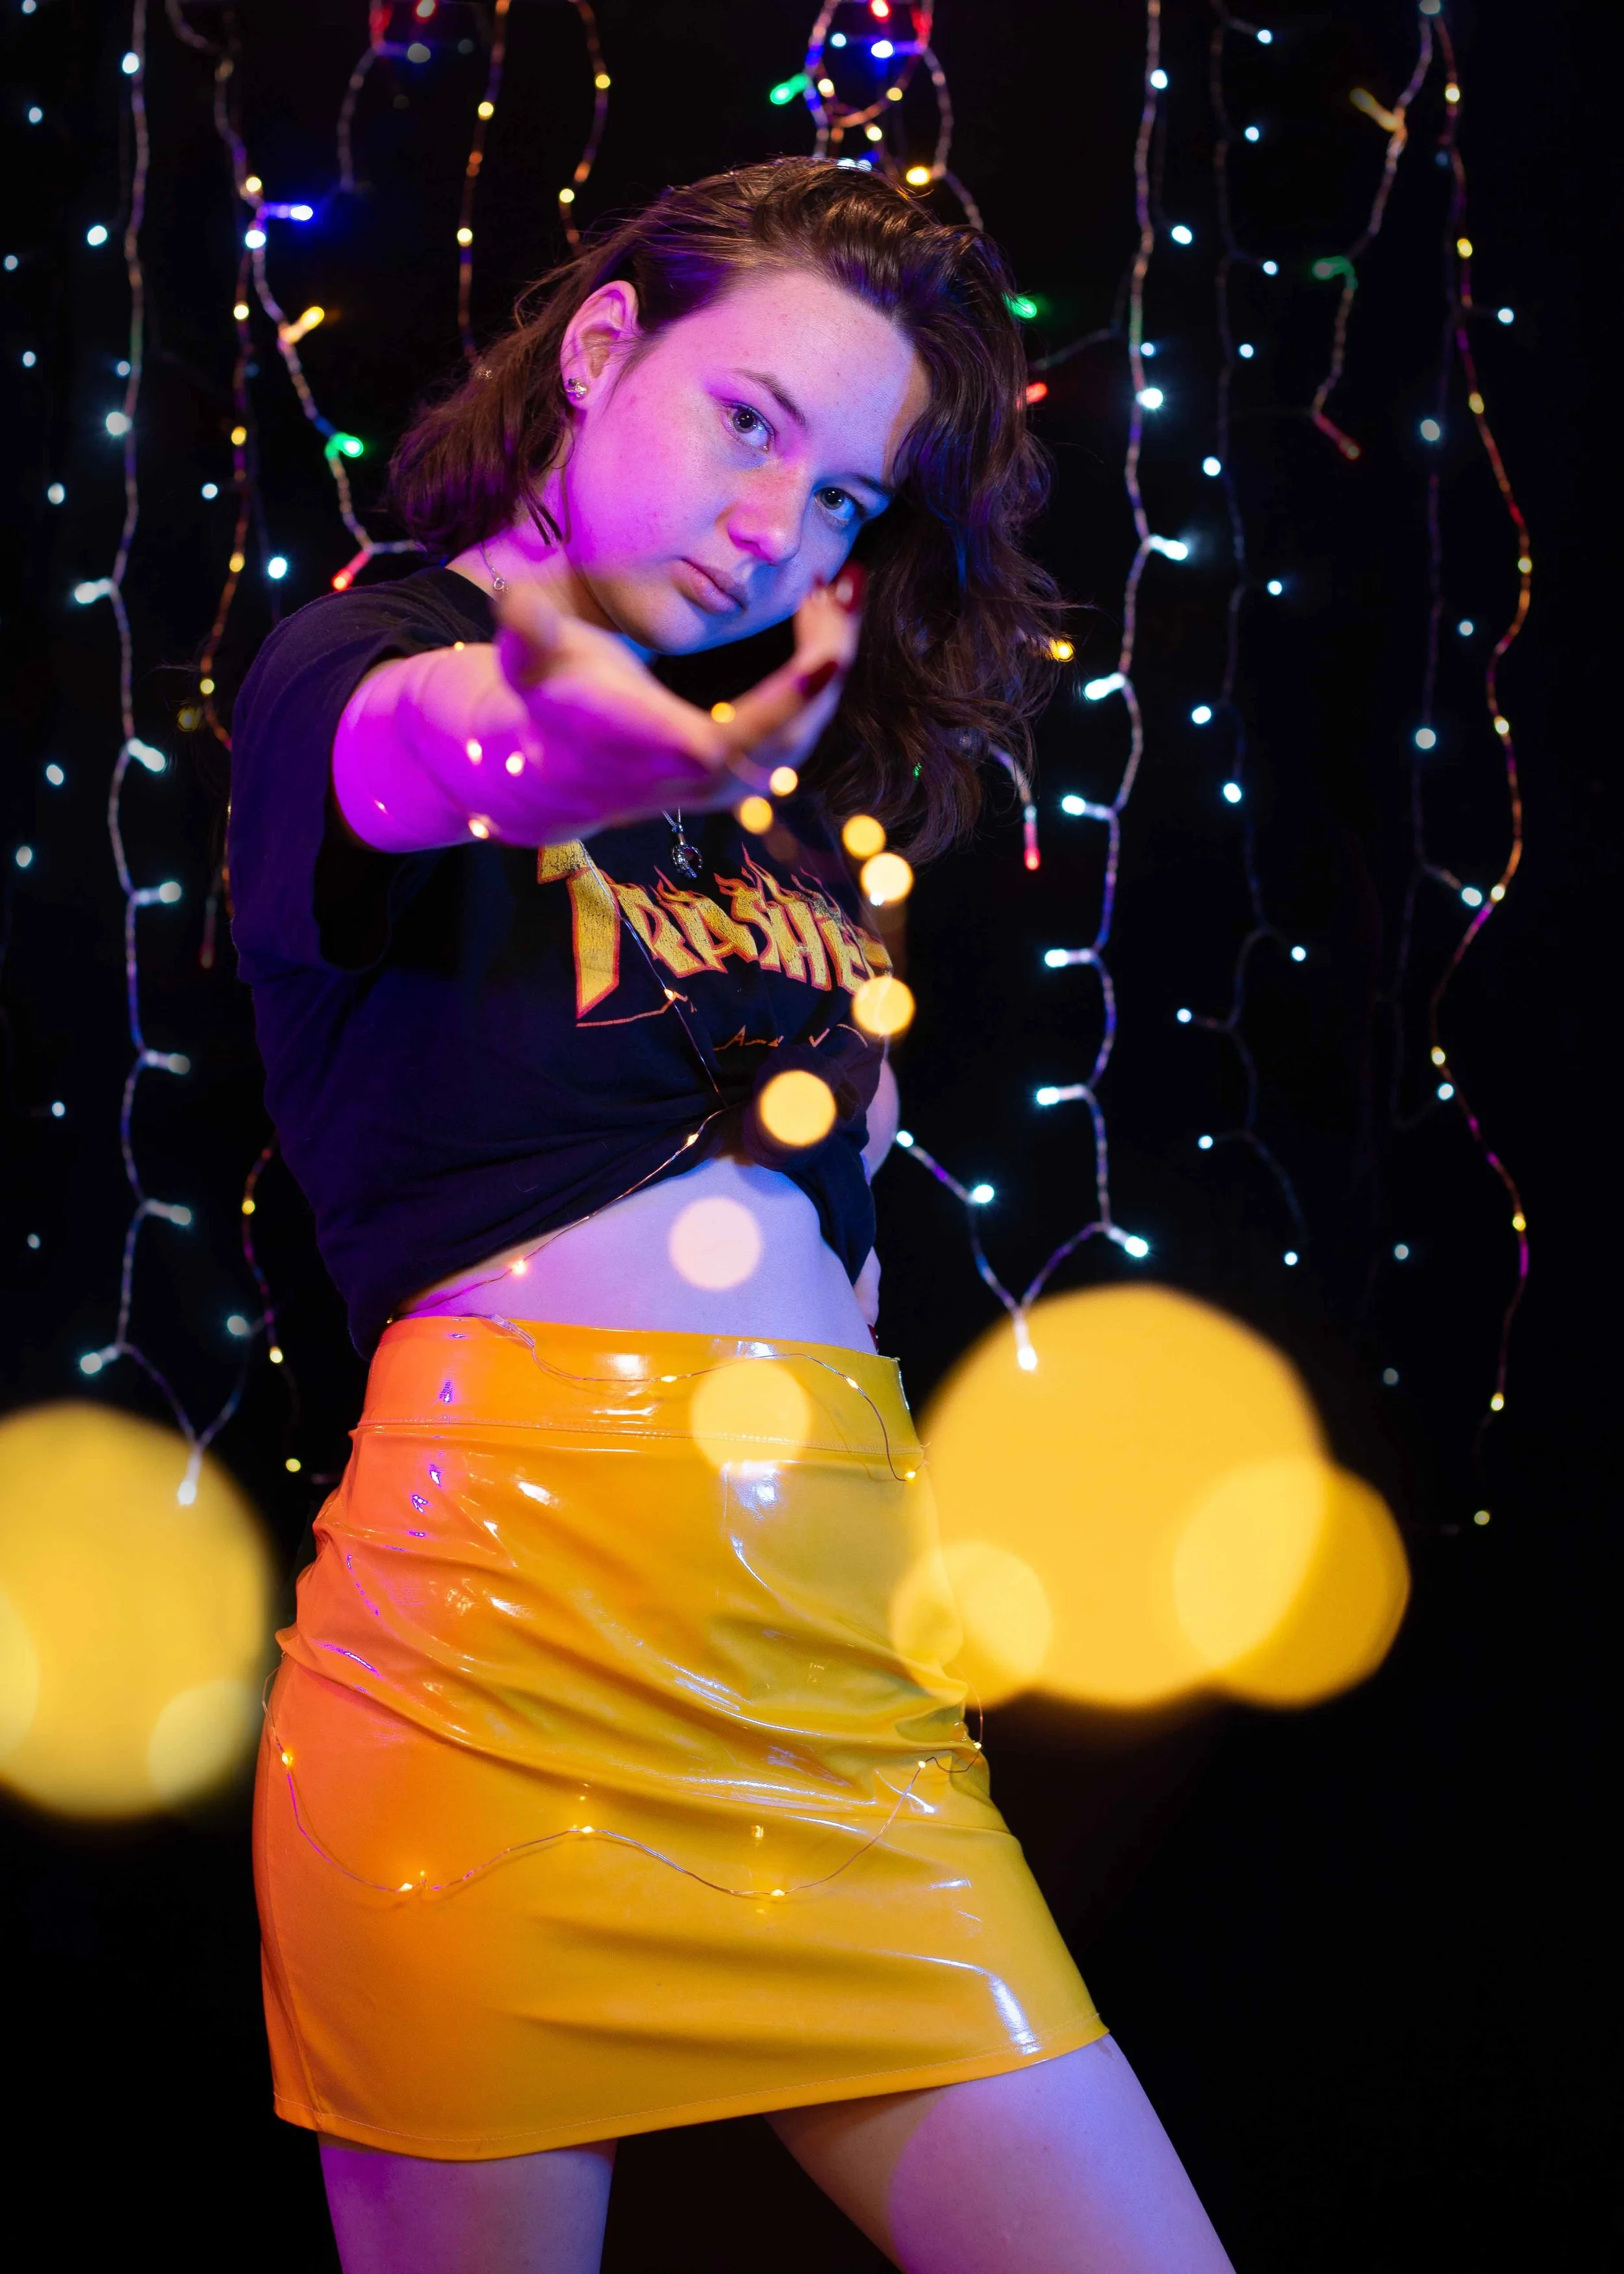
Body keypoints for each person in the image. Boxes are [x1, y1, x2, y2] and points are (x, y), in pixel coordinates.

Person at [229, 158, 1233, 2274]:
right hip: (489, 1684)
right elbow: (426, 760)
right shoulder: (361, 659)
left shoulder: (756, 793)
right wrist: (546, 744)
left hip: (832, 1710)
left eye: (848, 497)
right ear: (604, 353)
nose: (782, 524)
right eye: (749, 419)